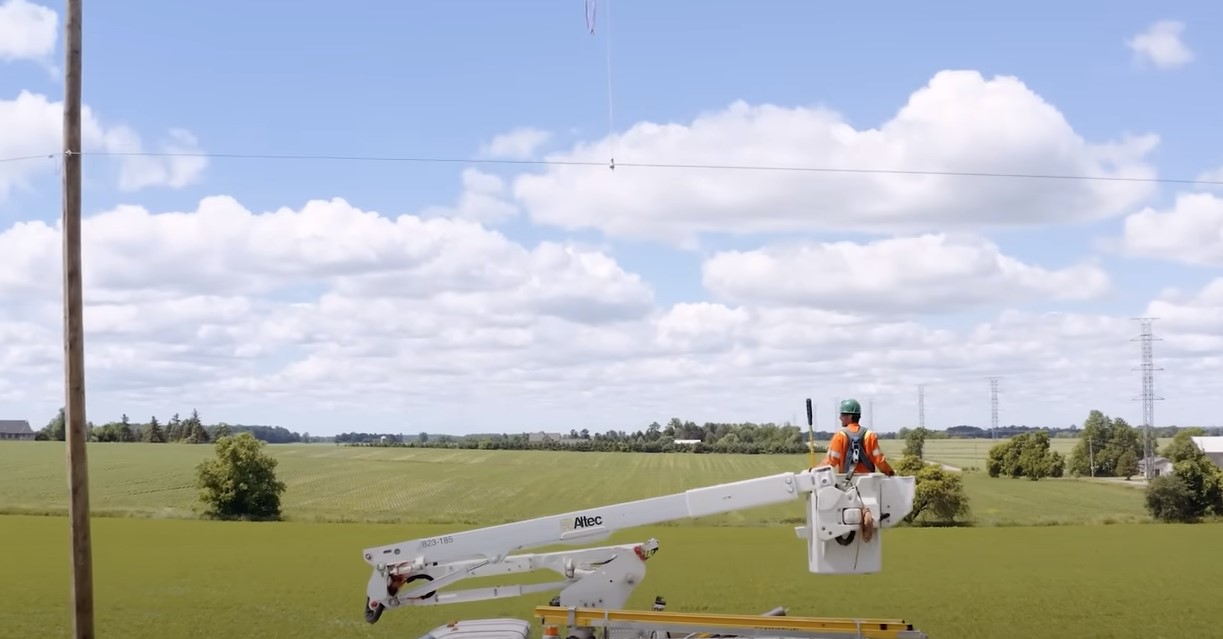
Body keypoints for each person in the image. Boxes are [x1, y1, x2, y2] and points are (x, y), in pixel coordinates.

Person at [818, 399, 895, 476]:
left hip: (847, 483)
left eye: (842, 415)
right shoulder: (870, 436)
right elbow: (879, 461)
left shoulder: (840, 436)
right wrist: (890, 472)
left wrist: (813, 470)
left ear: (850, 416)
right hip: (868, 482)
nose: (840, 418)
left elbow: (830, 461)